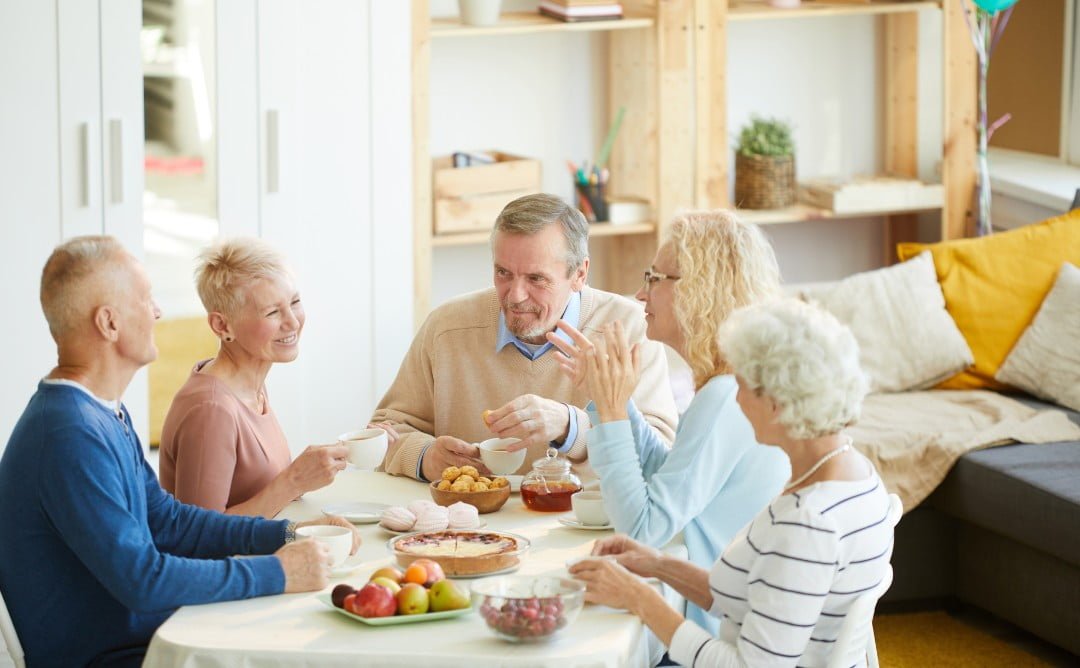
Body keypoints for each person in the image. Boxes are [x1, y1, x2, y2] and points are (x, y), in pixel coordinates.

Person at [0, 236, 358, 667]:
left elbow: (170, 522)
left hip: (157, 636)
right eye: (145, 299)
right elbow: (144, 580)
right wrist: (280, 571)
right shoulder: (67, 434)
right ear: (109, 324)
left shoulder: (98, 412)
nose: (157, 312)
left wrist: (282, 536)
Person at [569, 299, 894, 667]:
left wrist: (639, 600)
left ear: (776, 403)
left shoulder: (807, 523)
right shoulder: (856, 474)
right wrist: (658, 564)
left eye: (740, 386)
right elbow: (764, 599)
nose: (734, 399)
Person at [549, 210, 790, 631]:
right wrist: (613, 400)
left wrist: (609, 415)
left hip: (710, 629)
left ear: (700, 289)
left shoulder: (726, 396)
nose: (641, 295)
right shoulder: (733, 384)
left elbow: (644, 528)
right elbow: (669, 480)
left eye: (654, 278)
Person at [375, 193, 678, 482]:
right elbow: (384, 431)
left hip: (582, 526)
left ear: (579, 275)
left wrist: (570, 427)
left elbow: (662, 458)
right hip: (466, 525)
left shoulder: (629, 329)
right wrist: (426, 457)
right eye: (503, 273)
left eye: (536, 279)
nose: (516, 296)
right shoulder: (447, 327)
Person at [159, 238, 350, 516]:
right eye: (272, 312)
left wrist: (325, 464)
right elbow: (200, 539)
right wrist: (294, 481)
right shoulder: (211, 410)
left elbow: (255, 489)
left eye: (294, 302)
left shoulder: (249, 387)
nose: (293, 322)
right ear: (222, 325)